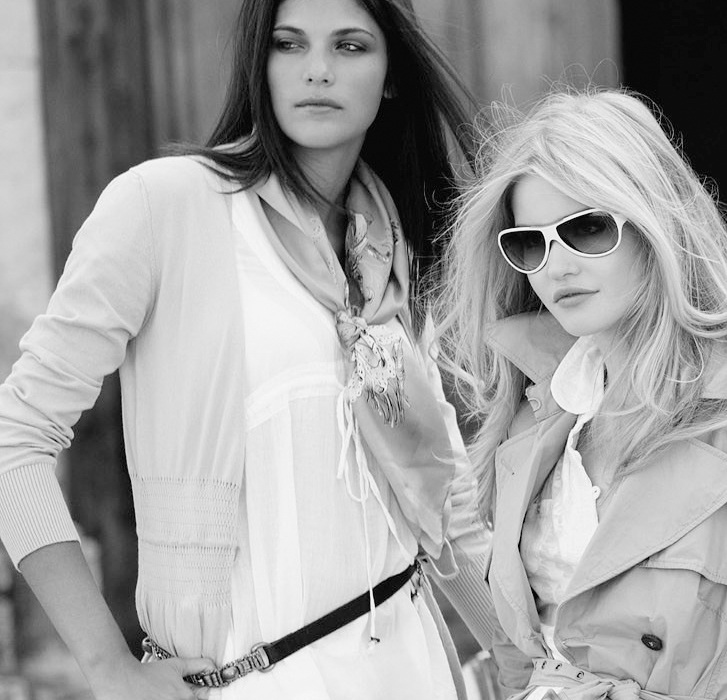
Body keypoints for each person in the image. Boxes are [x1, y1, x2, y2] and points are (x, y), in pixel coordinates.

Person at [0, 0, 480, 697]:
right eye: (289, 44)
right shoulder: (165, 207)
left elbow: (439, 492)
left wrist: (525, 657)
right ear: (259, 63)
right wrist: (106, 666)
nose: (318, 70)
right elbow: (14, 439)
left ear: (392, 76)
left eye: (350, 46)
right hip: (251, 678)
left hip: (412, 667)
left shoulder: (388, 243)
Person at [430, 87, 727, 700]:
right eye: (529, 242)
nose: (557, 265)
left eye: (587, 228)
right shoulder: (537, 413)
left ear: (657, 225)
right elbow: (524, 655)